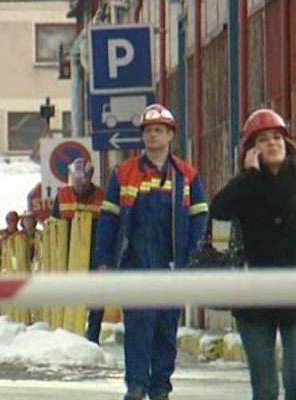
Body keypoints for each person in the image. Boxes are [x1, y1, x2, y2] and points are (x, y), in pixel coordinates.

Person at [209, 108, 296, 400]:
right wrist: (250, 175)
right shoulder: (245, 186)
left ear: (287, 142)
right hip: (255, 301)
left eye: (277, 137)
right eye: (263, 139)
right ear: (252, 151)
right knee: (265, 389)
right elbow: (219, 210)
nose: (272, 143)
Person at [94, 104, 208, 400]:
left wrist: (190, 258)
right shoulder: (124, 173)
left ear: (171, 135)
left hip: (172, 263)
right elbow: (109, 220)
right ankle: (136, 386)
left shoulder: (187, 175)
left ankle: (160, 387)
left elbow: (199, 218)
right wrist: (104, 260)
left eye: (159, 130)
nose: (152, 135)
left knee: (165, 329)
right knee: (138, 327)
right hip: (135, 262)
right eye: (147, 131)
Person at [52, 157, 105, 345]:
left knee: (97, 299)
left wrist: (104, 259)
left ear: (90, 177)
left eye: (82, 182)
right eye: (76, 182)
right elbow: (54, 226)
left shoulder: (100, 196)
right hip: (69, 255)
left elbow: (108, 229)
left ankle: (92, 339)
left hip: (95, 254)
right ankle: (70, 335)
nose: (79, 187)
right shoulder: (63, 195)